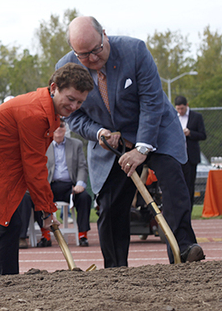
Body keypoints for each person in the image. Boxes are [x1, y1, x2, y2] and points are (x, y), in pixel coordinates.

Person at [57, 16, 204, 266]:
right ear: (73, 50)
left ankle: (183, 250)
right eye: (84, 55)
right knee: (110, 204)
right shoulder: (67, 67)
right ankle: (115, 268)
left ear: (104, 34)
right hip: (111, 143)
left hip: (154, 130)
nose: (92, 59)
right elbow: (73, 116)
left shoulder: (135, 50)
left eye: (96, 50)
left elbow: (151, 101)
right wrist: (99, 133)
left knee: (174, 183)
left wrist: (142, 148)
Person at [0, 64, 93, 274]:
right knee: (6, 225)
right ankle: (5, 282)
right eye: (70, 98)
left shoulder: (47, 109)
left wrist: (46, 208)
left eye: (80, 102)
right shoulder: (35, 114)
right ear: (54, 88)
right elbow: (35, 166)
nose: (74, 106)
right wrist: (47, 209)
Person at [44, 121, 93, 247]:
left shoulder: (76, 144)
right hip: (49, 186)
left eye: (61, 125)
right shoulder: (43, 144)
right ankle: (45, 236)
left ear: (65, 128)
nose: (58, 128)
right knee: (39, 198)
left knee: (85, 197)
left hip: (70, 187)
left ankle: (83, 235)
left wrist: (80, 184)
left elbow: (82, 166)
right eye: (55, 126)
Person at [174, 95, 206, 203]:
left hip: (190, 157)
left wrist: (190, 133)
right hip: (177, 156)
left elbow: (203, 135)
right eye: (178, 109)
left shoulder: (196, 117)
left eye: (182, 108)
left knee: (189, 185)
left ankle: (188, 210)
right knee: (177, 184)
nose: (180, 111)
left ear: (187, 106)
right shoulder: (174, 117)